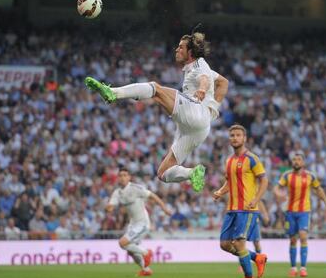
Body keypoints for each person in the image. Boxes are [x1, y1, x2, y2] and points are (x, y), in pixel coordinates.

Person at [85, 30, 229, 192]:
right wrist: (212, 110)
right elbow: (224, 83)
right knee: (163, 172)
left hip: (196, 113)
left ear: (191, 52)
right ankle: (192, 173)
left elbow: (203, 78)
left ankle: (113, 93)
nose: (176, 50)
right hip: (199, 128)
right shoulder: (198, 68)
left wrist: (203, 90)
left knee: (156, 89)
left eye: (181, 47)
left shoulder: (199, 63)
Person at [213, 124, 268, 278]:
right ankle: (257, 258)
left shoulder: (252, 158)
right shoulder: (229, 160)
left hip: (247, 209)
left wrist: (256, 199)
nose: (235, 138)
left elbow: (264, 180)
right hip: (231, 208)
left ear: (244, 139)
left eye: (238, 135)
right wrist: (220, 192)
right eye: (232, 135)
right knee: (224, 244)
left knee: (238, 243)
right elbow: (229, 183)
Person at [273, 152, 326, 278]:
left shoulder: (310, 176)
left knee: (303, 236)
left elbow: (318, 189)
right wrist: (279, 194)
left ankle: (303, 268)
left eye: (298, 159)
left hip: (304, 211)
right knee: (293, 239)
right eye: (294, 159)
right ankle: (293, 268)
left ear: (303, 162)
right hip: (290, 212)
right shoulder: (287, 175)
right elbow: (277, 187)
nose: (296, 162)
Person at [106, 167, 172, 276]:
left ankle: (146, 252)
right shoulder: (117, 192)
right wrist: (108, 208)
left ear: (129, 177)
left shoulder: (135, 188)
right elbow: (111, 206)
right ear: (118, 178)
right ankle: (146, 270)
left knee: (122, 243)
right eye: (120, 175)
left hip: (142, 223)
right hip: (132, 224)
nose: (122, 178)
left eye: (125, 175)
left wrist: (164, 209)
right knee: (130, 251)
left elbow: (153, 196)